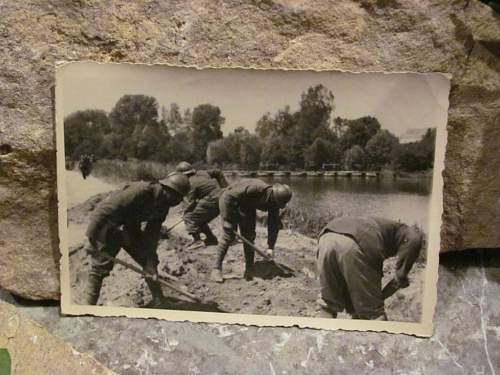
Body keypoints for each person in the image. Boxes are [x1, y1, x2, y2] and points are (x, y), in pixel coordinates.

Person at [82, 173, 190, 307]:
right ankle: (87, 308)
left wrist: (150, 260)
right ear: (169, 190)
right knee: (99, 269)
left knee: (149, 262)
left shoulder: (163, 205)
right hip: (110, 227)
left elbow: (152, 234)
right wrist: (91, 238)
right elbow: (103, 210)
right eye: (178, 197)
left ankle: (159, 301)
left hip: (130, 228)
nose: (179, 202)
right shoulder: (141, 191)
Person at [316, 216, 423, 320]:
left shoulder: (384, 226)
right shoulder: (412, 237)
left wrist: (359, 303)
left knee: (328, 305)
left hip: (327, 236)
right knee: (375, 315)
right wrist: (401, 276)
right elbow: (399, 279)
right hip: (357, 241)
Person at [210, 178, 292, 283]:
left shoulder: (274, 203)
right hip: (231, 203)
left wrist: (270, 247)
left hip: (247, 208)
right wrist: (227, 219)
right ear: (273, 195)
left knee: (249, 237)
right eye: (275, 202)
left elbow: (273, 226)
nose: (275, 205)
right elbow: (227, 196)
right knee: (228, 236)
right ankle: (216, 269)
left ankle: (249, 269)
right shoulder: (257, 188)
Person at [175, 161, 227, 250]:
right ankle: (211, 239)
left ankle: (197, 241)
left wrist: (185, 212)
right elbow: (217, 172)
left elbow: (190, 203)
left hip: (212, 200)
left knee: (189, 217)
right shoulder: (202, 173)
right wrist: (225, 187)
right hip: (222, 198)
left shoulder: (190, 183)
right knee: (199, 218)